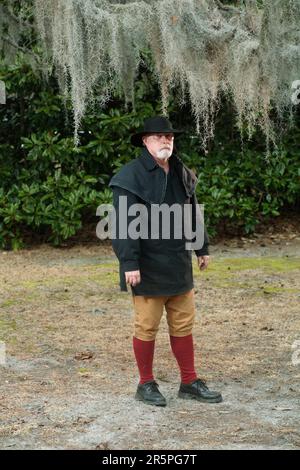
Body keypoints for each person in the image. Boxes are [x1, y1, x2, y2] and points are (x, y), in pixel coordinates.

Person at [109, 116, 222, 406]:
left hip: (178, 263)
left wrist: (201, 247)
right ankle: (145, 384)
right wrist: (129, 263)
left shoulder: (181, 171)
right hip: (146, 266)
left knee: (183, 324)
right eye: (158, 136)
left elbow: (192, 211)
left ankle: (189, 381)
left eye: (169, 137)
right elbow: (123, 224)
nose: (165, 141)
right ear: (145, 141)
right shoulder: (128, 177)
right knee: (146, 326)